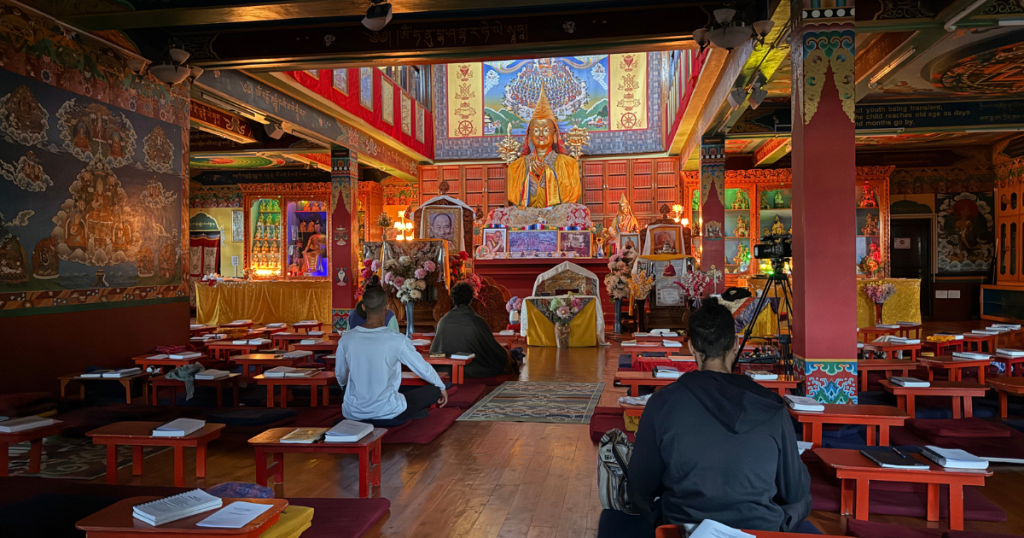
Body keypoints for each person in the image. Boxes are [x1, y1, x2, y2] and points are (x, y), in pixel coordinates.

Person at [627, 302, 811, 533]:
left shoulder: (662, 402)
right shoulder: (771, 405)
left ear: (692, 347)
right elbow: (793, 490)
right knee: (802, 497)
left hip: (685, 527)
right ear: (735, 346)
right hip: (759, 528)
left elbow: (640, 486)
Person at [334, 284, 448, 421]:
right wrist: (441, 386)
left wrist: (348, 390)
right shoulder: (397, 340)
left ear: (363, 307)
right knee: (433, 391)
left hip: (353, 412)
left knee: (348, 388)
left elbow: (341, 375)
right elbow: (421, 367)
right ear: (386, 308)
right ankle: (406, 415)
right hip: (387, 410)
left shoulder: (346, 339)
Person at [430, 282, 520, 378]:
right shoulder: (477, 320)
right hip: (473, 368)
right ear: (471, 299)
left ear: (453, 299)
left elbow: (436, 347)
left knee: (514, 352)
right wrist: (507, 356)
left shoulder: (443, 320)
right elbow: (491, 347)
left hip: (445, 368)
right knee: (511, 355)